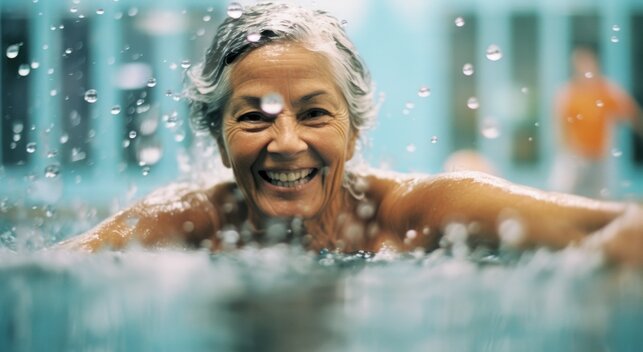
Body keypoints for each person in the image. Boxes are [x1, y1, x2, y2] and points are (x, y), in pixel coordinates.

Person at [56, 2, 643, 265]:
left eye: (314, 114)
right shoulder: (188, 221)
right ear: (216, 136)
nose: (286, 142)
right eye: (254, 116)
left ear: (356, 130)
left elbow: (622, 224)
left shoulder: (417, 212)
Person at [549, 47, 643, 198]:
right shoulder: (567, 93)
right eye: (580, 65)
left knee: (600, 196)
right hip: (574, 156)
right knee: (564, 194)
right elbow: (559, 125)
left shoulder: (608, 90)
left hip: (600, 156)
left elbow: (632, 114)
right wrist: (567, 151)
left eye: (587, 64)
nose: (584, 69)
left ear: (596, 65)